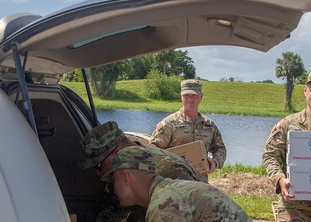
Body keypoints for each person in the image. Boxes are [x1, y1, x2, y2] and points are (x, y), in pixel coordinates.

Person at [79, 120, 207, 222]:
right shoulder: (120, 171)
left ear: (116, 153)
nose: (98, 173)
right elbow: (114, 211)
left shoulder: (169, 171)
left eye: (98, 165)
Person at [101, 146, 252, 222]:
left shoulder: (164, 205)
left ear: (126, 177)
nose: (113, 188)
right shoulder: (172, 190)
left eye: (114, 180)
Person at [149, 79, 226, 180]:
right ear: (181, 97)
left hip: (200, 181)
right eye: (186, 96)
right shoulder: (169, 123)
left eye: (194, 96)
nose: (190, 99)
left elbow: (220, 148)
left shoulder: (209, 125)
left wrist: (215, 162)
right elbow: (152, 149)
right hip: (173, 182)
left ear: (201, 97)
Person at [262, 73, 311, 221]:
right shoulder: (287, 124)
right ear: (305, 90)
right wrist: (280, 179)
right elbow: (270, 156)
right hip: (294, 207)